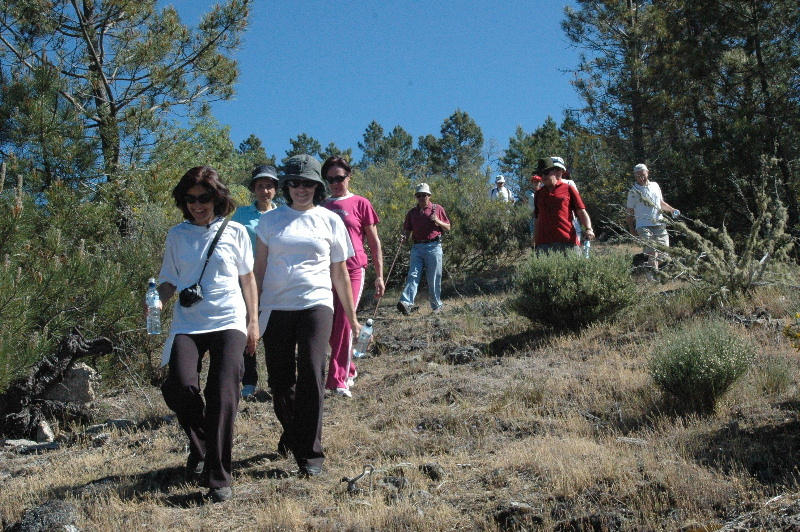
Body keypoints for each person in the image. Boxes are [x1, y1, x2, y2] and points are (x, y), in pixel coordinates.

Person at [153, 165, 259, 503]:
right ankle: (201, 447)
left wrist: (253, 323)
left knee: (222, 391)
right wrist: (155, 301)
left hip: (229, 320)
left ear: (217, 197)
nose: (198, 205)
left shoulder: (236, 231)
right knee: (178, 385)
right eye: (191, 199)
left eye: (205, 198)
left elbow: (248, 279)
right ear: (183, 201)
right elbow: (168, 278)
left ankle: (218, 478)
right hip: (188, 321)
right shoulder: (177, 235)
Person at [253, 154, 361, 478]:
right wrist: (251, 314)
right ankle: (294, 433)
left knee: (313, 370)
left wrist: (353, 317)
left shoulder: (330, 221)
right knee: (281, 381)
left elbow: (339, 272)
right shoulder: (269, 222)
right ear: (286, 186)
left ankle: (311, 455)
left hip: (316, 302)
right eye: (295, 183)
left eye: (309, 183)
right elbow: (258, 270)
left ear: (318, 186)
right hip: (275, 305)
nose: (301, 189)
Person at [321, 156, 384, 398]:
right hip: (326, 272)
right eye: (330, 179)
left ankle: (337, 380)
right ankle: (350, 368)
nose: (336, 183)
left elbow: (374, 242)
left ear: (349, 177)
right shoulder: (321, 206)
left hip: (353, 269)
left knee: (344, 324)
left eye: (340, 178)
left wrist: (379, 276)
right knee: (328, 325)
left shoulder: (360, 203)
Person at [231, 165, 279, 399]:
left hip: (276, 282)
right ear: (253, 189)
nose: (265, 190)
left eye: (269, 185)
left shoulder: (282, 214)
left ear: (276, 189)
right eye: (260, 186)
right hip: (246, 282)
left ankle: (276, 381)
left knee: (273, 332)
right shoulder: (241, 215)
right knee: (248, 329)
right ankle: (249, 382)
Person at [396, 183, 451, 315]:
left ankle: (436, 306)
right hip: (417, 247)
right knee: (413, 275)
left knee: (433, 278)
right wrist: (403, 237)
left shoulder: (437, 209)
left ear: (429, 196)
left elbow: (448, 227)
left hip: (434, 246)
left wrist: (437, 220)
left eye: (424, 195)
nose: (421, 197)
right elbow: (406, 230)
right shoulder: (412, 213)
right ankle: (406, 303)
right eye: (419, 195)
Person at [533, 156, 595, 255]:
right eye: (540, 174)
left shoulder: (568, 188)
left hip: (567, 240)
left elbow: (581, 210)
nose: (543, 176)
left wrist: (588, 228)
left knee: (574, 269)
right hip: (544, 243)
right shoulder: (539, 193)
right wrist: (535, 242)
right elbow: (536, 219)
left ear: (554, 171)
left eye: (546, 173)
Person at [626, 163, 679, 275]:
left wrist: (672, 210)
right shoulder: (633, 192)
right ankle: (653, 278)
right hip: (643, 225)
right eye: (638, 175)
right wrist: (632, 229)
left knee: (664, 253)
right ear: (635, 176)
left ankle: (647, 269)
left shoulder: (655, 186)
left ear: (648, 172)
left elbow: (660, 203)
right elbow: (629, 212)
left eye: (643, 174)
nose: (641, 177)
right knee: (652, 251)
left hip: (659, 223)